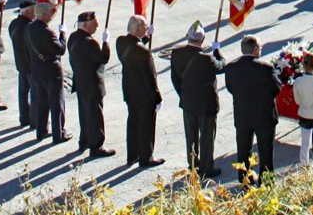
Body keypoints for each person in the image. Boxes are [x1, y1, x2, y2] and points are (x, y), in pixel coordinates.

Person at [225, 34, 281, 184]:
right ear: (255, 49)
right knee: (265, 152)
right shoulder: (266, 68)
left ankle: (245, 179)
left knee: (243, 150)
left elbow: (231, 88)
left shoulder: (230, 67)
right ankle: (266, 181)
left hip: (242, 114)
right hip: (264, 115)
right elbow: (276, 88)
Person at [172, 21, 225, 177]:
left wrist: (182, 94)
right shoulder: (207, 58)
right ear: (202, 40)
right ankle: (207, 167)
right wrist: (217, 51)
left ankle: (193, 165)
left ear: (187, 37)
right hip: (206, 103)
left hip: (188, 101)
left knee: (191, 136)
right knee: (207, 137)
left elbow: (175, 78)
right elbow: (221, 66)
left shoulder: (176, 54)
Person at [116, 14, 163, 167]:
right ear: (137, 29)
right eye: (144, 26)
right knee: (147, 125)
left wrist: (146, 37)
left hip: (129, 91)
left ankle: (132, 154)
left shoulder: (120, 42)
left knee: (133, 122)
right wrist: (158, 98)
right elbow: (151, 77)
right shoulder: (144, 52)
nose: (146, 27)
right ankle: (146, 157)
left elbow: (133, 44)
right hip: (144, 94)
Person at [68, 11, 114, 158]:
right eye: (94, 23)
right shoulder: (89, 42)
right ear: (86, 24)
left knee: (85, 112)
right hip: (93, 83)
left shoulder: (73, 37)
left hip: (81, 82)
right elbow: (103, 58)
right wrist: (105, 42)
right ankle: (97, 146)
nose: (97, 25)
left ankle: (85, 140)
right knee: (95, 115)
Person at [27, 2, 71, 143]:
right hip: (51, 69)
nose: (52, 15)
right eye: (50, 13)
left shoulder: (29, 28)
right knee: (56, 102)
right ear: (45, 15)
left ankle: (41, 131)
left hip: (37, 68)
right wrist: (63, 34)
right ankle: (59, 133)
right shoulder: (47, 32)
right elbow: (61, 49)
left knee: (42, 102)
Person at [292, 52, 313, 168]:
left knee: (305, 142)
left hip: (304, 113)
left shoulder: (298, 82)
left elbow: (297, 101)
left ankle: (304, 164)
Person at [8, 0, 36, 128]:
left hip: (21, 64)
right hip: (31, 65)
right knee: (35, 93)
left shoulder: (14, 24)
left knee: (23, 92)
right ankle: (35, 119)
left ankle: (24, 117)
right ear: (28, 11)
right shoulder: (29, 27)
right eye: (33, 11)